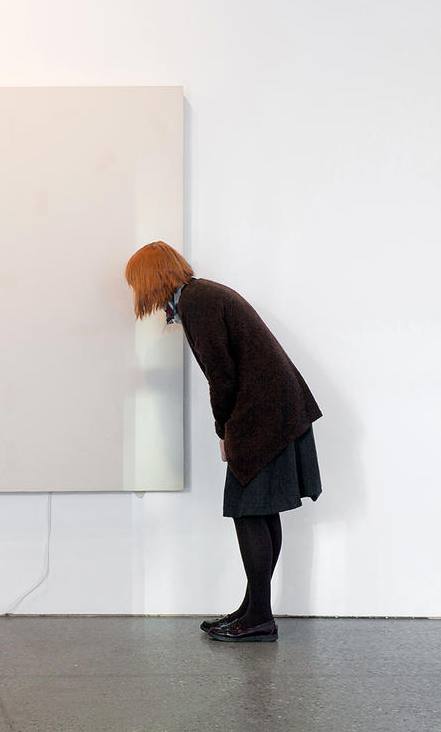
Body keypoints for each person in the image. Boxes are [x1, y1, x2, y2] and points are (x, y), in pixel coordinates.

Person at [124, 241, 322, 642]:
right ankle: (254, 609)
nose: (137, 292)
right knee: (261, 511)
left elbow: (222, 376)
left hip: (263, 414)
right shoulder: (200, 296)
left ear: (150, 277)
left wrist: (223, 432)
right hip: (276, 409)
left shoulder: (197, 302)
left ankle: (259, 618)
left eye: (136, 282)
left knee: (248, 512)